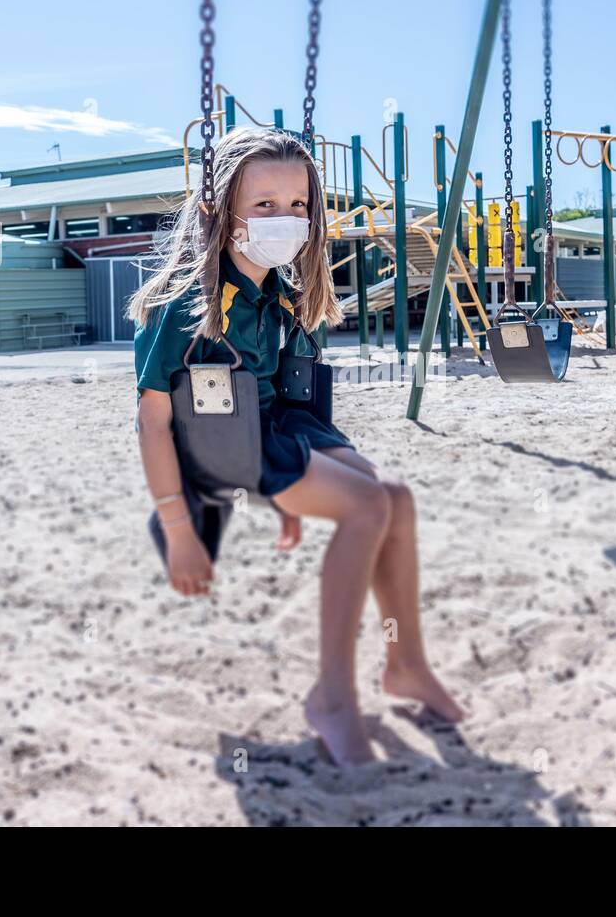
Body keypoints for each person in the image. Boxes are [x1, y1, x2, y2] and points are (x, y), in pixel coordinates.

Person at [130, 127, 463, 766]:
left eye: (299, 205)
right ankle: (332, 697)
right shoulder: (183, 309)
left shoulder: (280, 295)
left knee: (394, 498)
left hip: (274, 427)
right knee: (365, 508)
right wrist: (178, 530)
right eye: (264, 206)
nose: (286, 219)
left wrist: (291, 498)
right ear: (217, 209)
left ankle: (406, 665)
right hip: (223, 445)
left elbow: (292, 394)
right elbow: (151, 423)